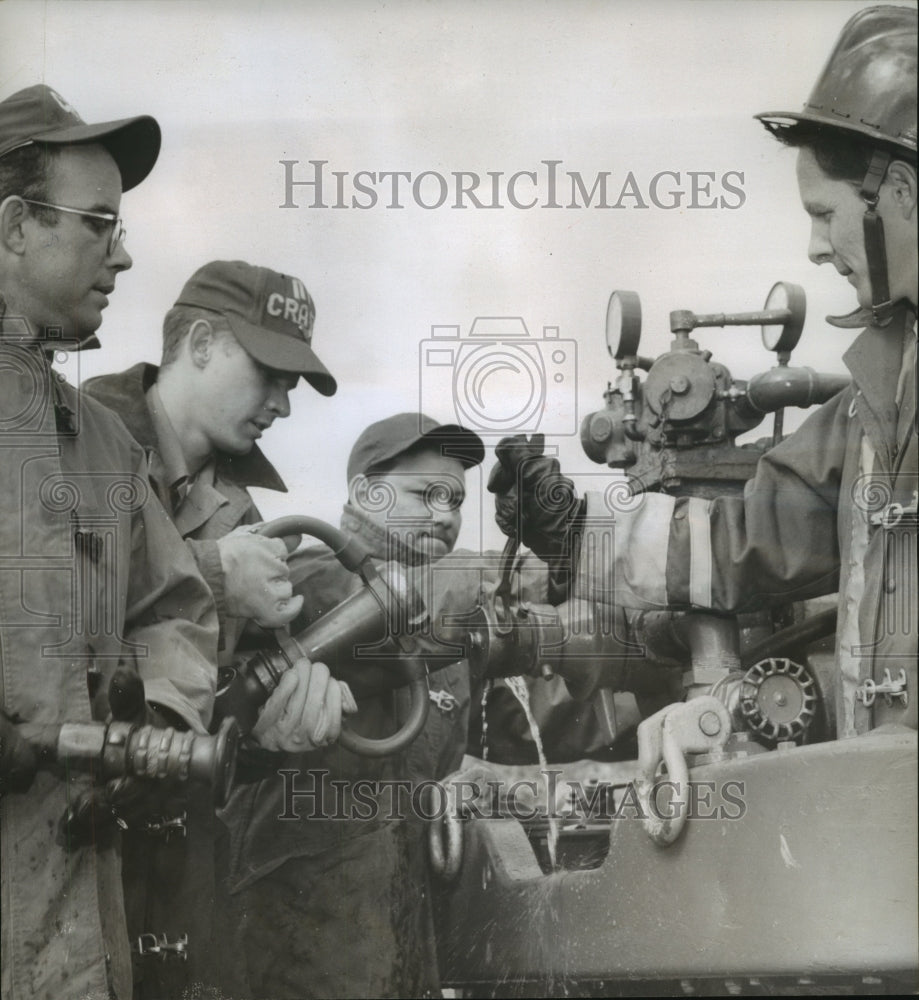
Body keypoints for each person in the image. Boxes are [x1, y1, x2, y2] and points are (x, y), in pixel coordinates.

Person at [489, 5, 917, 739]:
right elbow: (739, 539)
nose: (815, 247)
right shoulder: (881, 396)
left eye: (823, 212)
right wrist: (573, 537)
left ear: (901, 195)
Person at [0, 83, 219, 1000]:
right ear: (15, 226)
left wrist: (153, 732)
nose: (122, 254)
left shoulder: (100, 440)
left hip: (78, 922)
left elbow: (174, 609)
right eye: (98, 224)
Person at [83, 258, 351, 998]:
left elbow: (221, 722)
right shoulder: (70, 441)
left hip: (175, 874)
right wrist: (210, 573)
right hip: (64, 844)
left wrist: (272, 735)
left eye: (292, 385)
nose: (283, 406)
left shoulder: (250, 522)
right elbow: (43, 608)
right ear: (200, 341)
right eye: (270, 374)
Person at [224, 412, 486, 998]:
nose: (446, 516)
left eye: (457, 501)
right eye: (427, 494)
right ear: (366, 492)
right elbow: (396, 604)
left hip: (400, 924)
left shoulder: (448, 628)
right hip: (293, 925)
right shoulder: (301, 583)